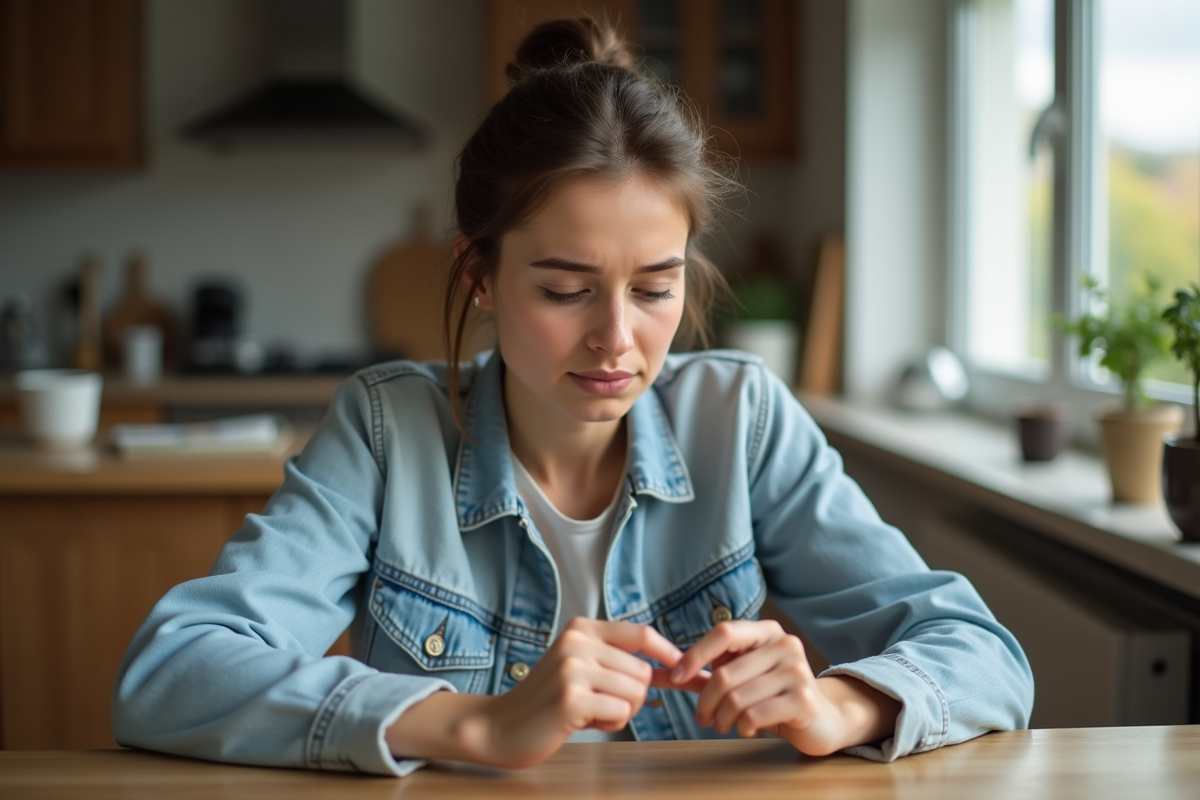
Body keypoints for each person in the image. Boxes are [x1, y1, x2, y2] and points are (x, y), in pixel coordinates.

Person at [112, 18, 1033, 776]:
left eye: (655, 287)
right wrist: (474, 725)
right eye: (564, 289)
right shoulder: (388, 430)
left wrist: (839, 702)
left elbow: (984, 655)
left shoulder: (742, 420)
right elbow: (171, 673)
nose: (616, 339)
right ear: (480, 274)